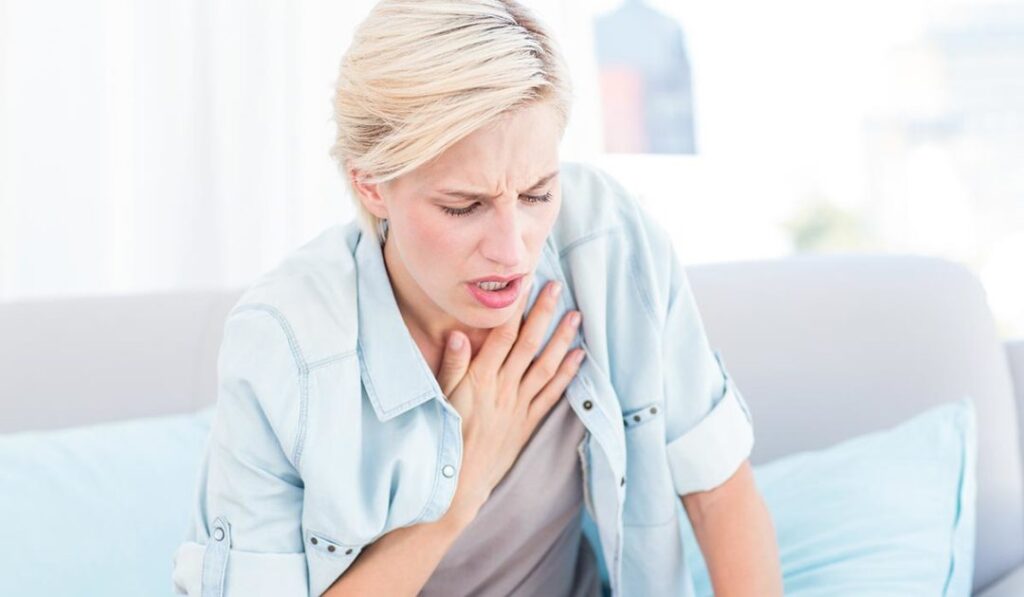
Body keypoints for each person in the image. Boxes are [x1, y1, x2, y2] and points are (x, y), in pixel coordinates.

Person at [171, 1, 783, 595]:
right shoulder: (283, 345)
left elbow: (719, 492)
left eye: (538, 193)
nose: (514, 252)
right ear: (372, 186)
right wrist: (457, 493)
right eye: (464, 206)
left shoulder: (607, 238)